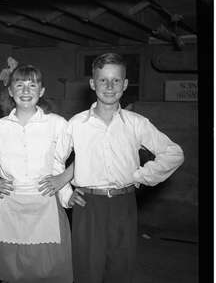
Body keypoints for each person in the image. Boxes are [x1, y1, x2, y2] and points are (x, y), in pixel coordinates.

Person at [50, 52, 184, 283]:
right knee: (86, 270)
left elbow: (173, 153)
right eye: (103, 80)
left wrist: (141, 175)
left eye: (116, 80)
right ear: (93, 84)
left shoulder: (136, 123)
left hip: (124, 205)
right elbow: (55, 160)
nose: (109, 86)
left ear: (125, 84)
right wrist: (65, 195)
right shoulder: (76, 124)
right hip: (88, 205)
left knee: (120, 269)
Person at [0, 64, 75, 283]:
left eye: (32, 85)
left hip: (45, 202)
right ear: (10, 91)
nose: (26, 90)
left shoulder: (57, 124)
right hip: (9, 203)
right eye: (19, 85)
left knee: (48, 267)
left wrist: (63, 178)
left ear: (42, 91)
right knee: (12, 268)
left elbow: (87, 152)